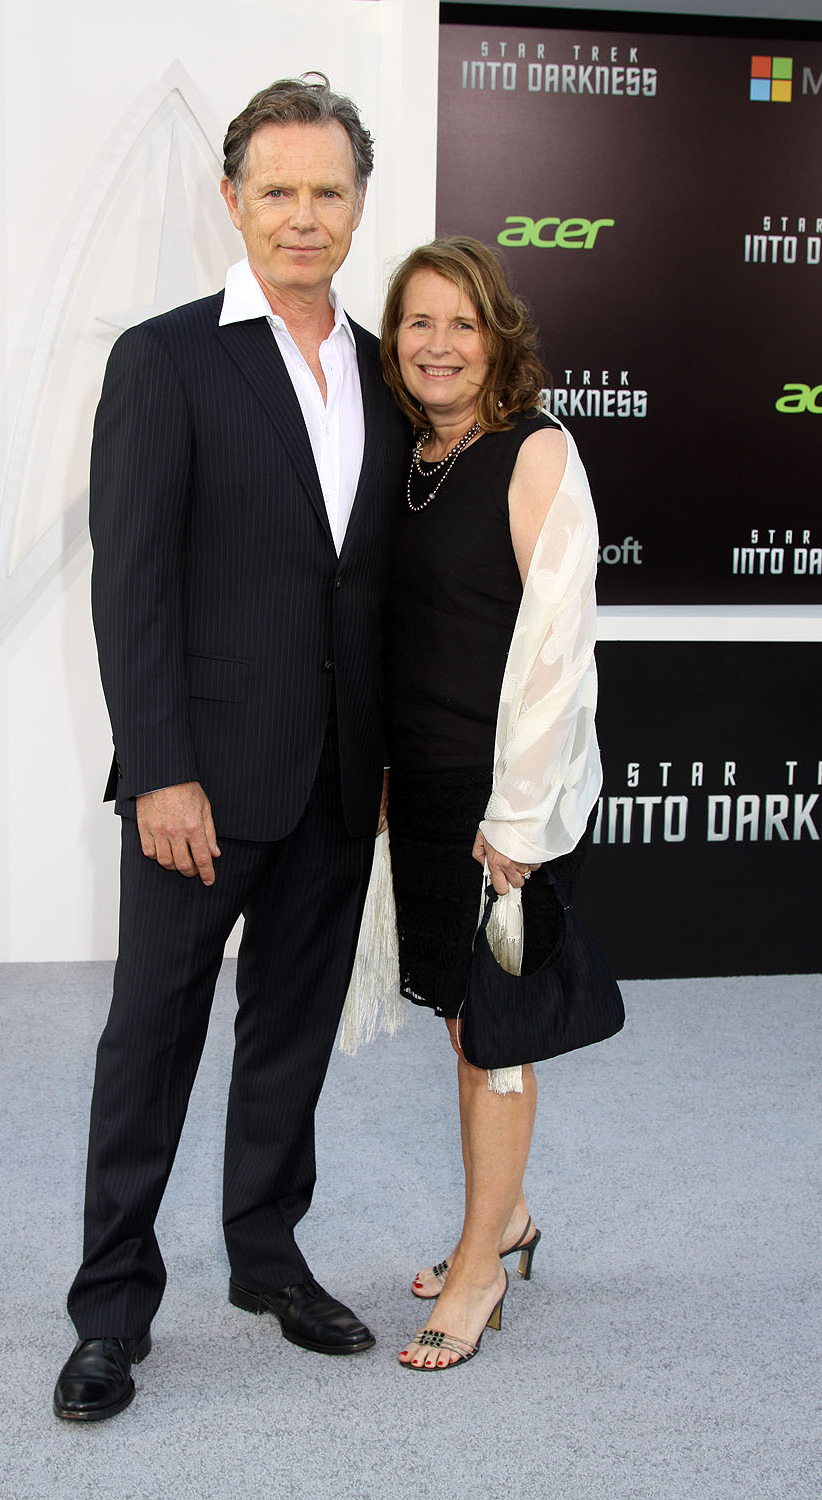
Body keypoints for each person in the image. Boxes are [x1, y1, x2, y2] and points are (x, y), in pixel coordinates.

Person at [53, 74, 408, 1421]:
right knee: (152, 1043)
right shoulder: (166, 358)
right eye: (278, 191)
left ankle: (266, 1256)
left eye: (328, 192)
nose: (303, 217)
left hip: (334, 780)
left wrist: (380, 766)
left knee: (291, 1041)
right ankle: (110, 1314)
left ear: (359, 204)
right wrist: (160, 768)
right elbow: (130, 582)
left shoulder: (385, 368)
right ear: (232, 200)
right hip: (200, 783)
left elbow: (369, 587)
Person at [378, 236, 602, 1369]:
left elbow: (558, 651)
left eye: (461, 322)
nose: (439, 344)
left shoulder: (536, 453)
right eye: (418, 322)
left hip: (499, 805)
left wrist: (516, 824)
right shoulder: (407, 458)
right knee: (466, 1023)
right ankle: (505, 1217)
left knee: (497, 1042)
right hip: (417, 791)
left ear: (496, 333)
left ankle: (479, 1273)